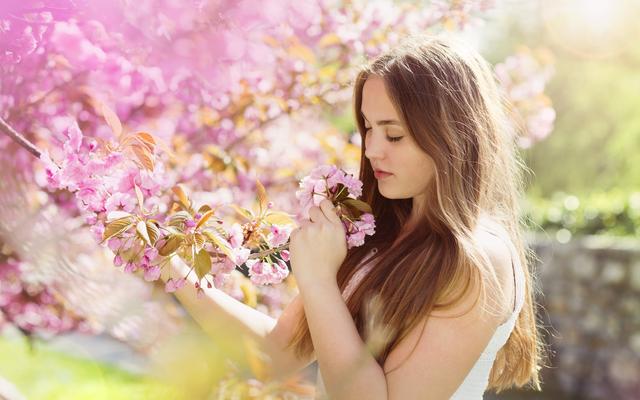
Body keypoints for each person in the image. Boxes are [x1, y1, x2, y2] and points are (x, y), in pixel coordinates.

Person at [165, 35, 545, 399]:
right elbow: (276, 355)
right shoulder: (377, 236)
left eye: (393, 135)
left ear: (453, 135)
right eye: (368, 128)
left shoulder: (477, 261)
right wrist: (169, 265)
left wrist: (317, 280)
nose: (373, 150)